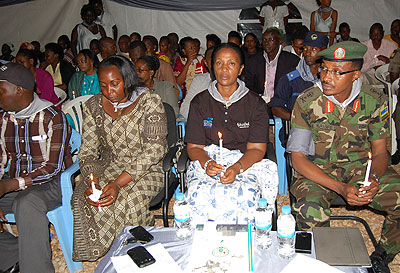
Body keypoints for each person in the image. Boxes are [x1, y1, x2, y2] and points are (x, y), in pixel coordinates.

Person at [287, 41, 400, 273]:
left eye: (337, 72)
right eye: (325, 68)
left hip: (362, 169)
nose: (327, 77)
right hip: (317, 172)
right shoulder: (307, 101)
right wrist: (340, 187)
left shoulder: (374, 100)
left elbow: (380, 152)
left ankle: (383, 255)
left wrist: (373, 180)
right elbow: (298, 159)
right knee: (310, 209)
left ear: (356, 74)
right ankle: (322, 264)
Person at [71, 55, 167, 261]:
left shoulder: (149, 101)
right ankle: (110, 253)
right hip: (111, 164)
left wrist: (116, 183)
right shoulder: (93, 106)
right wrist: (92, 180)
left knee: (129, 200)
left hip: (148, 167)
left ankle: (140, 252)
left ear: (128, 79)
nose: (109, 91)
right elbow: (88, 149)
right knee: (84, 197)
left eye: (115, 84)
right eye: (103, 85)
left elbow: (155, 150)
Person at [185, 43, 278, 224]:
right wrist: (207, 164)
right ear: (212, 67)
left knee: (247, 196)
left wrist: (236, 168)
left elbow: (257, 149)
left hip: (245, 163)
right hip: (208, 161)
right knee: (199, 194)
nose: (224, 69)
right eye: (219, 63)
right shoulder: (200, 102)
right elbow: (194, 147)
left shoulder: (255, 104)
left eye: (231, 64)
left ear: (241, 68)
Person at [0, 62, 72, 273]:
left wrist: (8, 185)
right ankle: (15, 256)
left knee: (27, 202)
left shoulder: (52, 116)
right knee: (23, 199)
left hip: (50, 185)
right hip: (13, 185)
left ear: (19, 90)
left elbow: (52, 167)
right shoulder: (4, 119)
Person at [271, 32, 328, 121]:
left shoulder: (331, 78)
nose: (308, 53)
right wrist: (297, 119)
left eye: (313, 49)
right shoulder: (291, 78)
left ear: (324, 50)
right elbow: (275, 107)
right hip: (300, 128)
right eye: (305, 49)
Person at [244, 28, 299, 102]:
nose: (266, 43)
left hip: (282, 104)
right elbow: (248, 86)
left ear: (279, 41)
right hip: (258, 103)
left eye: (270, 40)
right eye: (264, 40)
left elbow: (295, 87)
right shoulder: (253, 61)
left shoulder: (292, 61)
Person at [180, 46, 215, 120]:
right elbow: (185, 109)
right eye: (211, 59)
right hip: (203, 124)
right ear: (206, 63)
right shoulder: (199, 80)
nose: (215, 63)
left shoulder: (232, 82)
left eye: (218, 60)